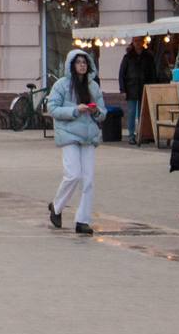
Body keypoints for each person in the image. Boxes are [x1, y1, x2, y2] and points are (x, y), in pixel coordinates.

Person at [47, 49, 106, 235]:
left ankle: (83, 220)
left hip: (88, 136)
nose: (82, 65)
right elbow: (53, 108)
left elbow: (103, 112)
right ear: (71, 65)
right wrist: (75, 110)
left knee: (88, 180)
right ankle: (56, 206)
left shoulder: (93, 87)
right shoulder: (61, 85)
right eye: (78, 62)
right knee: (73, 175)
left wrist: (96, 111)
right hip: (69, 135)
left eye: (85, 62)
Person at [119, 39, 149, 144]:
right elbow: (122, 73)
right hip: (131, 88)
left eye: (139, 40)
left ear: (143, 42)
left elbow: (152, 71)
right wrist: (122, 89)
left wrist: (151, 86)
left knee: (142, 113)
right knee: (131, 112)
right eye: (136, 41)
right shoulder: (127, 57)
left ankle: (141, 135)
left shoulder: (147, 56)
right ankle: (131, 135)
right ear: (133, 42)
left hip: (144, 87)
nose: (138, 43)